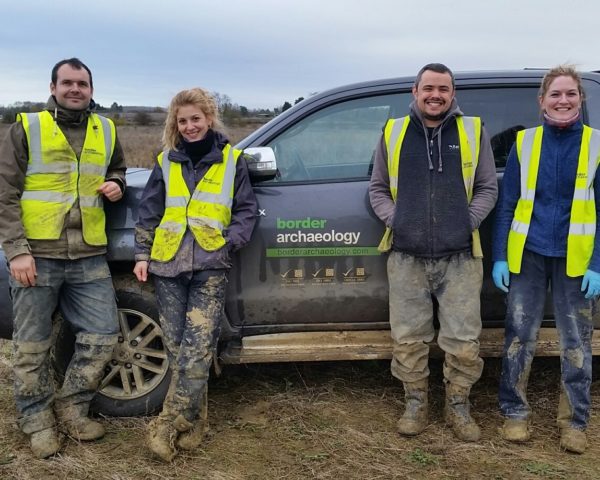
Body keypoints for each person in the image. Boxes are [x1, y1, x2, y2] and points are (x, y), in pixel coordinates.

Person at [0, 58, 126, 458]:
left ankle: (72, 406)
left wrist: (117, 184)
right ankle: (36, 420)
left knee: (103, 335)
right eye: (68, 83)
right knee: (31, 346)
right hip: (38, 255)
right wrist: (17, 251)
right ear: (53, 87)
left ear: (91, 89)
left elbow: (118, 168)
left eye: (82, 83)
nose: (76, 89)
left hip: (88, 254)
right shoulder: (27, 128)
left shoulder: (105, 129)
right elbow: (4, 194)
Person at [369, 63, 497, 442]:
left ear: (452, 93)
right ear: (415, 91)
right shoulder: (393, 132)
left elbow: (488, 188)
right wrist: (400, 219)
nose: (435, 95)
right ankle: (416, 403)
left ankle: (458, 405)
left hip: (460, 257)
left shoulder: (473, 131)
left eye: (443, 88)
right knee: (408, 337)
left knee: (463, 338)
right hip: (406, 256)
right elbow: (377, 188)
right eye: (428, 88)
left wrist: (465, 222)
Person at [133, 88, 257, 462]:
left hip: (209, 267)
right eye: (182, 121)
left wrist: (228, 242)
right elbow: (149, 212)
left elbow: (246, 210)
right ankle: (198, 420)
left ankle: (168, 425)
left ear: (209, 119)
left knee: (198, 349)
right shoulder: (165, 162)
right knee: (177, 348)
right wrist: (142, 253)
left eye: (195, 119)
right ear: (176, 123)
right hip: (168, 265)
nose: (189, 126)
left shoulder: (233, 161)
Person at [492, 65, 599, 454]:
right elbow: (507, 206)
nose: (563, 100)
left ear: (580, 99)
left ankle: (574, 422)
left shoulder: (596, 145)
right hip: (529, 256)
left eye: (571, 93)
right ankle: (514, 414)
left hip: (576, 262)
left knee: (577, 342)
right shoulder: (525, 143)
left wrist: (597, 264)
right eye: (555, 94)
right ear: (542, 101)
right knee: (519, 336)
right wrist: (502, 256)